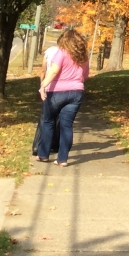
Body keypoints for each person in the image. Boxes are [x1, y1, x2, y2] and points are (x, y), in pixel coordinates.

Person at [36, 28, 89, 166]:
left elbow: (53, 71)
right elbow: (85, 75)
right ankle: (62, 159)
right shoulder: (83, 56)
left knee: (48, 122)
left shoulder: (61, 52)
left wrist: (43, 85)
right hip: (76, 92)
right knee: (67, 126)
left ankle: (43, 154)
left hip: (56, 91)